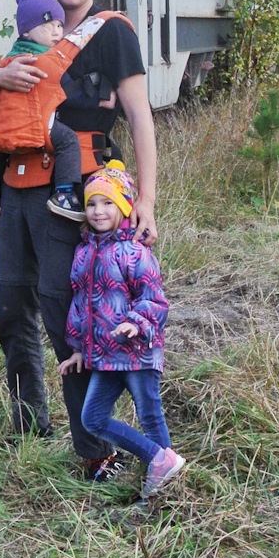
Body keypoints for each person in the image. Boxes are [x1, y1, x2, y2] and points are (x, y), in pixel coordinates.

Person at [0, 0, 158, 479]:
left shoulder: (113, 32)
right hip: (18, 186)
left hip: (78, 194)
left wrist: (144, 199)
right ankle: (29, 421)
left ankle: (94, 448)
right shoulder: (32, 35)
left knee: (65, 314)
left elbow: (141, 119)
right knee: (12, 303)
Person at [58, 162, 185, 498]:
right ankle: (160, 460)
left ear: (125, 206)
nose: (98, 211)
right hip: (105, 355)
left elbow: (155, 300)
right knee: (93, 418)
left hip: (139, 352)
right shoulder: (83, 252)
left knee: (149, 412)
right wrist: (78, 349)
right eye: (91, 203)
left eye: (107, 202)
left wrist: (135, 322)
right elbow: (83, 307)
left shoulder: (135, 252)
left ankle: (162, 484)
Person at [0, 0, 85, 221]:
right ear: (27, 31)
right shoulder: (46, 58)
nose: (56, 32)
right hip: (34, 122)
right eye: (47, 26)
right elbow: (68, 92)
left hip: (8, 122)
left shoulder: (11, 56)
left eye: (59, 25)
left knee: (1, 145)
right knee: (68, 141)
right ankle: (65, 194)